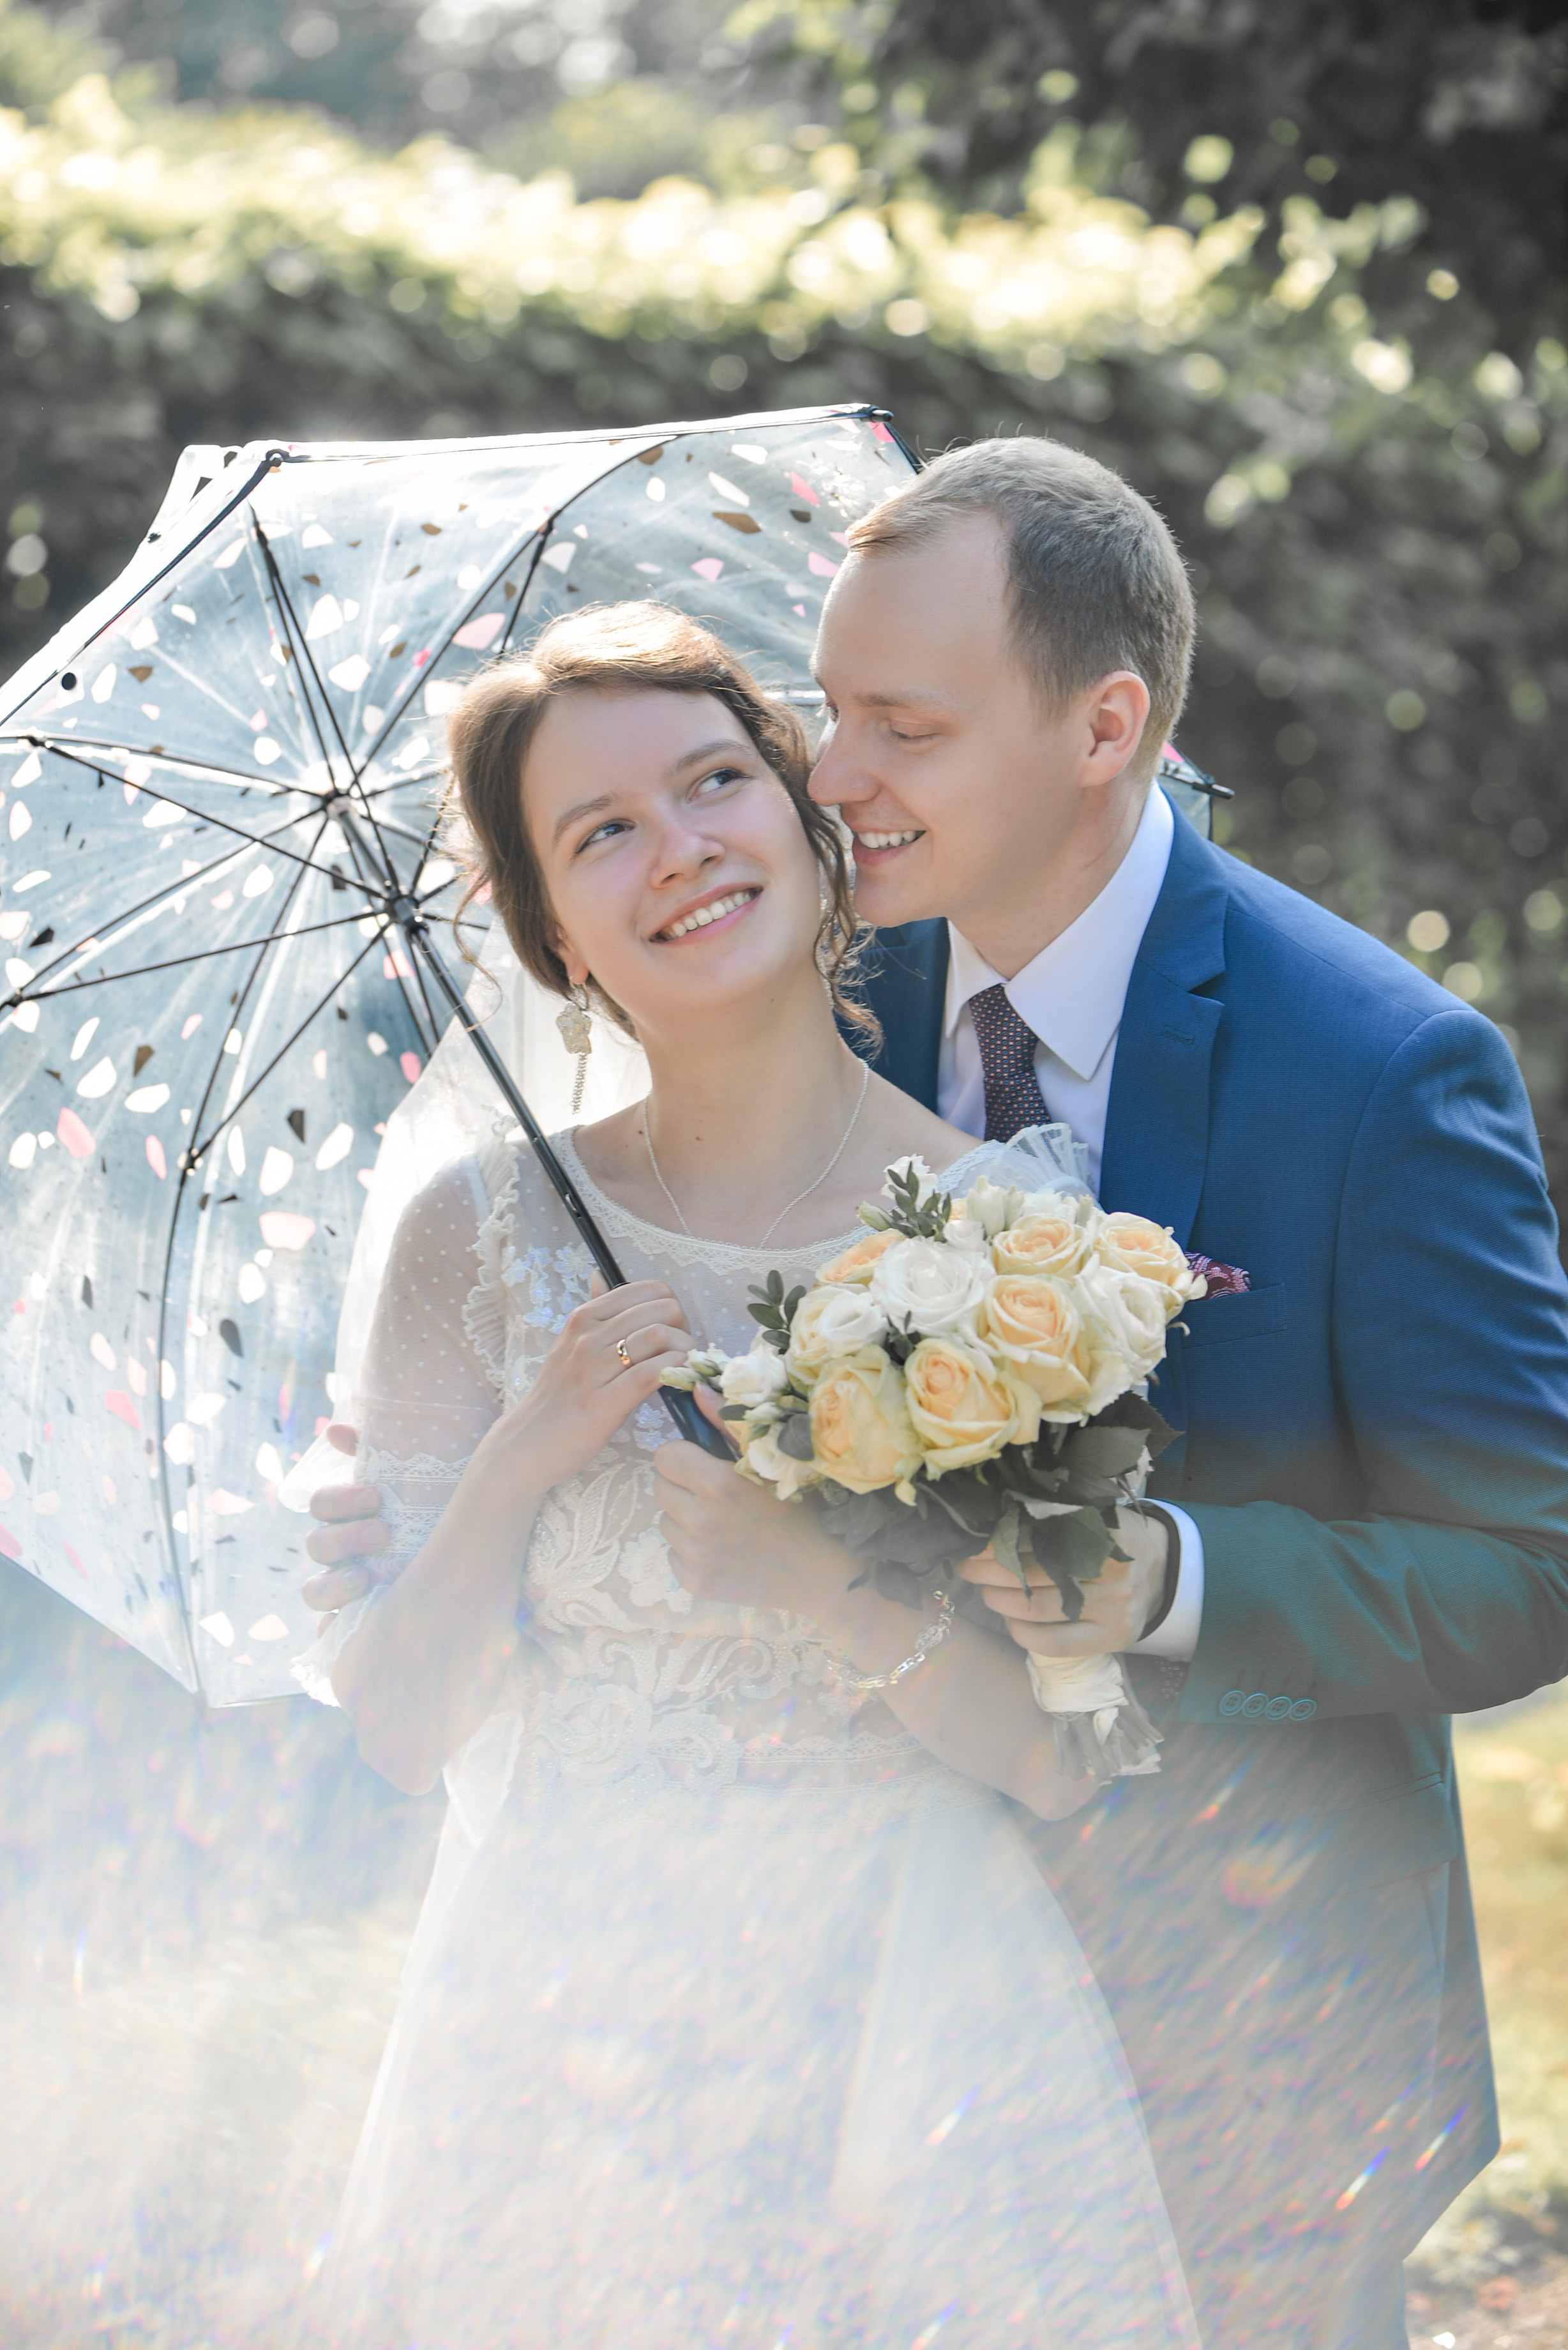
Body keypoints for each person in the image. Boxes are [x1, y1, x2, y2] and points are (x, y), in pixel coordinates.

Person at [291, 600, 1202, 2348]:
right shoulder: (466, 1241)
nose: (681, 850)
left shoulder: (1014, 1242)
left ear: (808, 819)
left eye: (716, 782)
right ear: (553, 931)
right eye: (600, 832)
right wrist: (521, 1458)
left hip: (905, 2015)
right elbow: (402, 1732)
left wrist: (816, 1582)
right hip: (566, 2016)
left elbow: (1062, 1753)